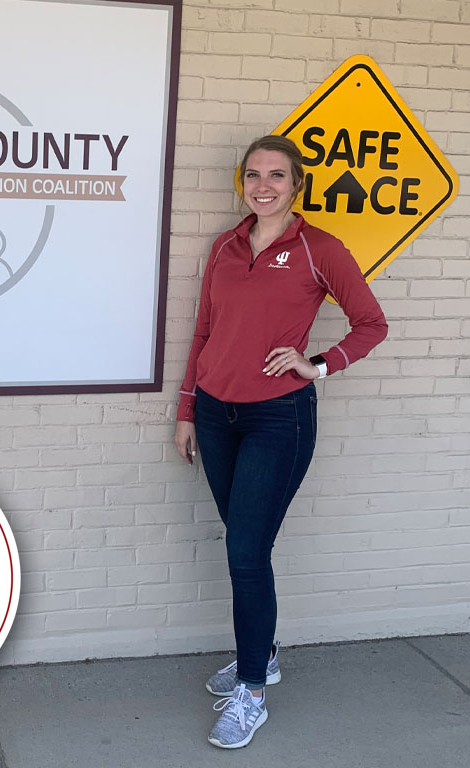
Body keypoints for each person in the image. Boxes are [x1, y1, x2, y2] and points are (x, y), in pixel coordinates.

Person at [174, 135, 387, 750]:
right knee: (247, 547)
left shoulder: (320, 249)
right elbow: (205, 329)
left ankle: (251, 692)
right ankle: (259, 656)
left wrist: (317, 363)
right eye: (253, 175)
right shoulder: (226, 246)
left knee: (244, 552)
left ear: (298, 185)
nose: (263, 186)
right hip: (216, 416)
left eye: (277, 176)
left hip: (278, 419)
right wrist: (188, 409)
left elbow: (371, 323)